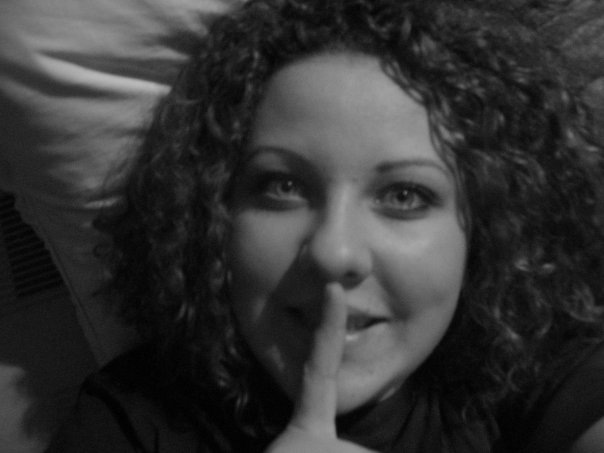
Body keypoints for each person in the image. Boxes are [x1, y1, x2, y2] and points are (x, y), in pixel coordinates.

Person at [46, 0, 604, 452]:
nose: (334, 253)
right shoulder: (127, 422)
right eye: (282, 187)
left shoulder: (541, 373)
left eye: (404, 196)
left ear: (483, 230)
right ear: (211, 217)